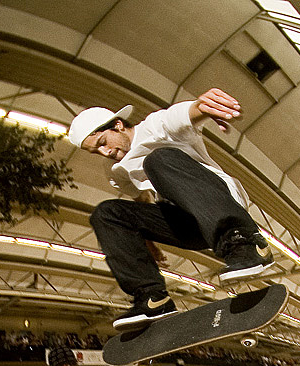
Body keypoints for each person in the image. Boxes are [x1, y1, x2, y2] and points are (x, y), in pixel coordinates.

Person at [68, 88, 274, 329]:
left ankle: (248, 243)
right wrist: (147, 242)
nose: (106, 153)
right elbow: (141, 200)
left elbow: (183, 114)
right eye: (96, 152)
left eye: (103, 143)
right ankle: (152, 297)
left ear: (118, 125)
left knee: (156, 160)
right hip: (186, 225)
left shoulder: (155, 126)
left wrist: (203, 107)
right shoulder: (115, 170)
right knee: (106, 213)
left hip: (219, 204)